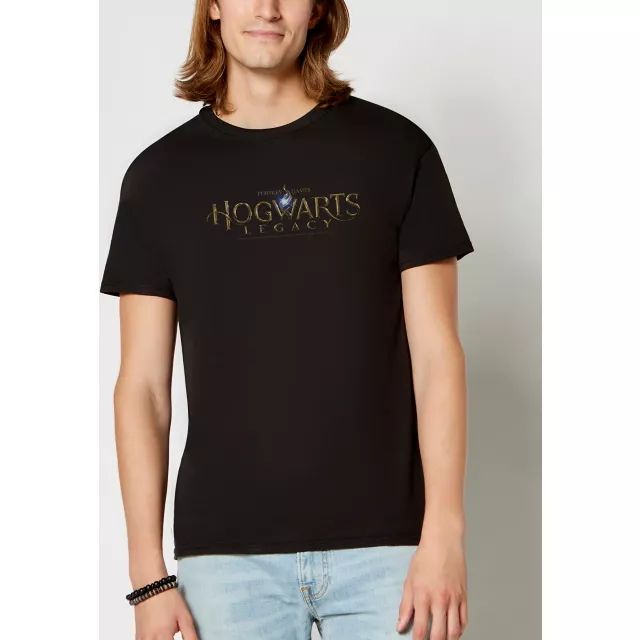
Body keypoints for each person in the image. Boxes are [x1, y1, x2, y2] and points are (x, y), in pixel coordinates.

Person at [100, 0, 474, 638]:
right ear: (213, 8)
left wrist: (444, 532)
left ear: (320, 8)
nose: (267, 8)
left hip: (390, 552)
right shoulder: (159, 177)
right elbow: (142, 389)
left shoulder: (395, 150)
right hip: (225, 562)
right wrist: (148, 576)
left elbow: (436, 355)